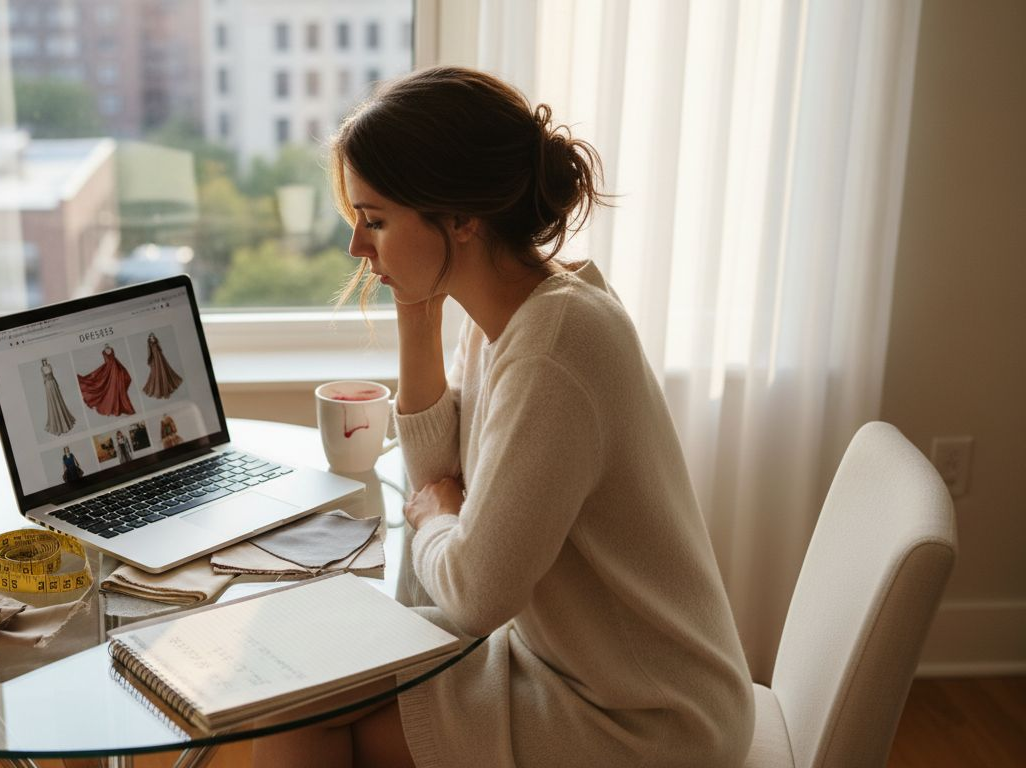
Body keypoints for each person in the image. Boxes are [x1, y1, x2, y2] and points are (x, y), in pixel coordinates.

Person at [252, 67, 754, 767]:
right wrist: (416, 316)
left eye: (376, 221)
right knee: (294, 693)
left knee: (306, 724)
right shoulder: (509, 319)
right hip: (559, 666)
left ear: (461, 218)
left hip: (644, 718)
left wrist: (433, 521)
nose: (357, 250)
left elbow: (472, 594)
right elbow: (441, 476)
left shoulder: (555, 347)